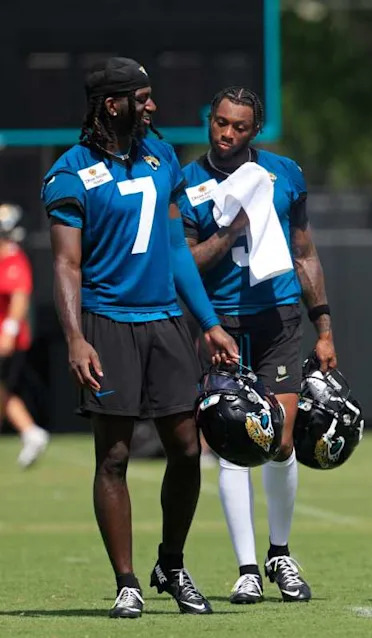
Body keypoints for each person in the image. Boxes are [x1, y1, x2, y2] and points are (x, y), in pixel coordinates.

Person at [42, 57, 239, 619]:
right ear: (113, 104)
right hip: (106, 322)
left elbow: (177, 250)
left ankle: (171, 564)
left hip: (164, 323)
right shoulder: (69, 173)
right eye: (142, 97)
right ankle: (126, 581)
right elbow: (65, 266)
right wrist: (77, 338)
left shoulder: (162, 157)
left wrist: (209, 323)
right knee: (116, 456)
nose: (153, 106)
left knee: (186, 448)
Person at [180, 86, 336, 604]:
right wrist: (232, 229)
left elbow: (305, 250)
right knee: (235, 440)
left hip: (279, 318)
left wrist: (325, 326)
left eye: (239, 127)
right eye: (220, 122)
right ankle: (246, 567)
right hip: (222, 322)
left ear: (255, 130)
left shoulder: (284, 173)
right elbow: (187, 264)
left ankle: (280, 554)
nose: (226, 134)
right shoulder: (188, 182)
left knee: (282, 440)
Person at [0, 203, 50, 468]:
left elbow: (19, 298)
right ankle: (31, 432)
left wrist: (8, 331)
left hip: (9, 340)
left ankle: (31, 431)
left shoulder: (14, 259)